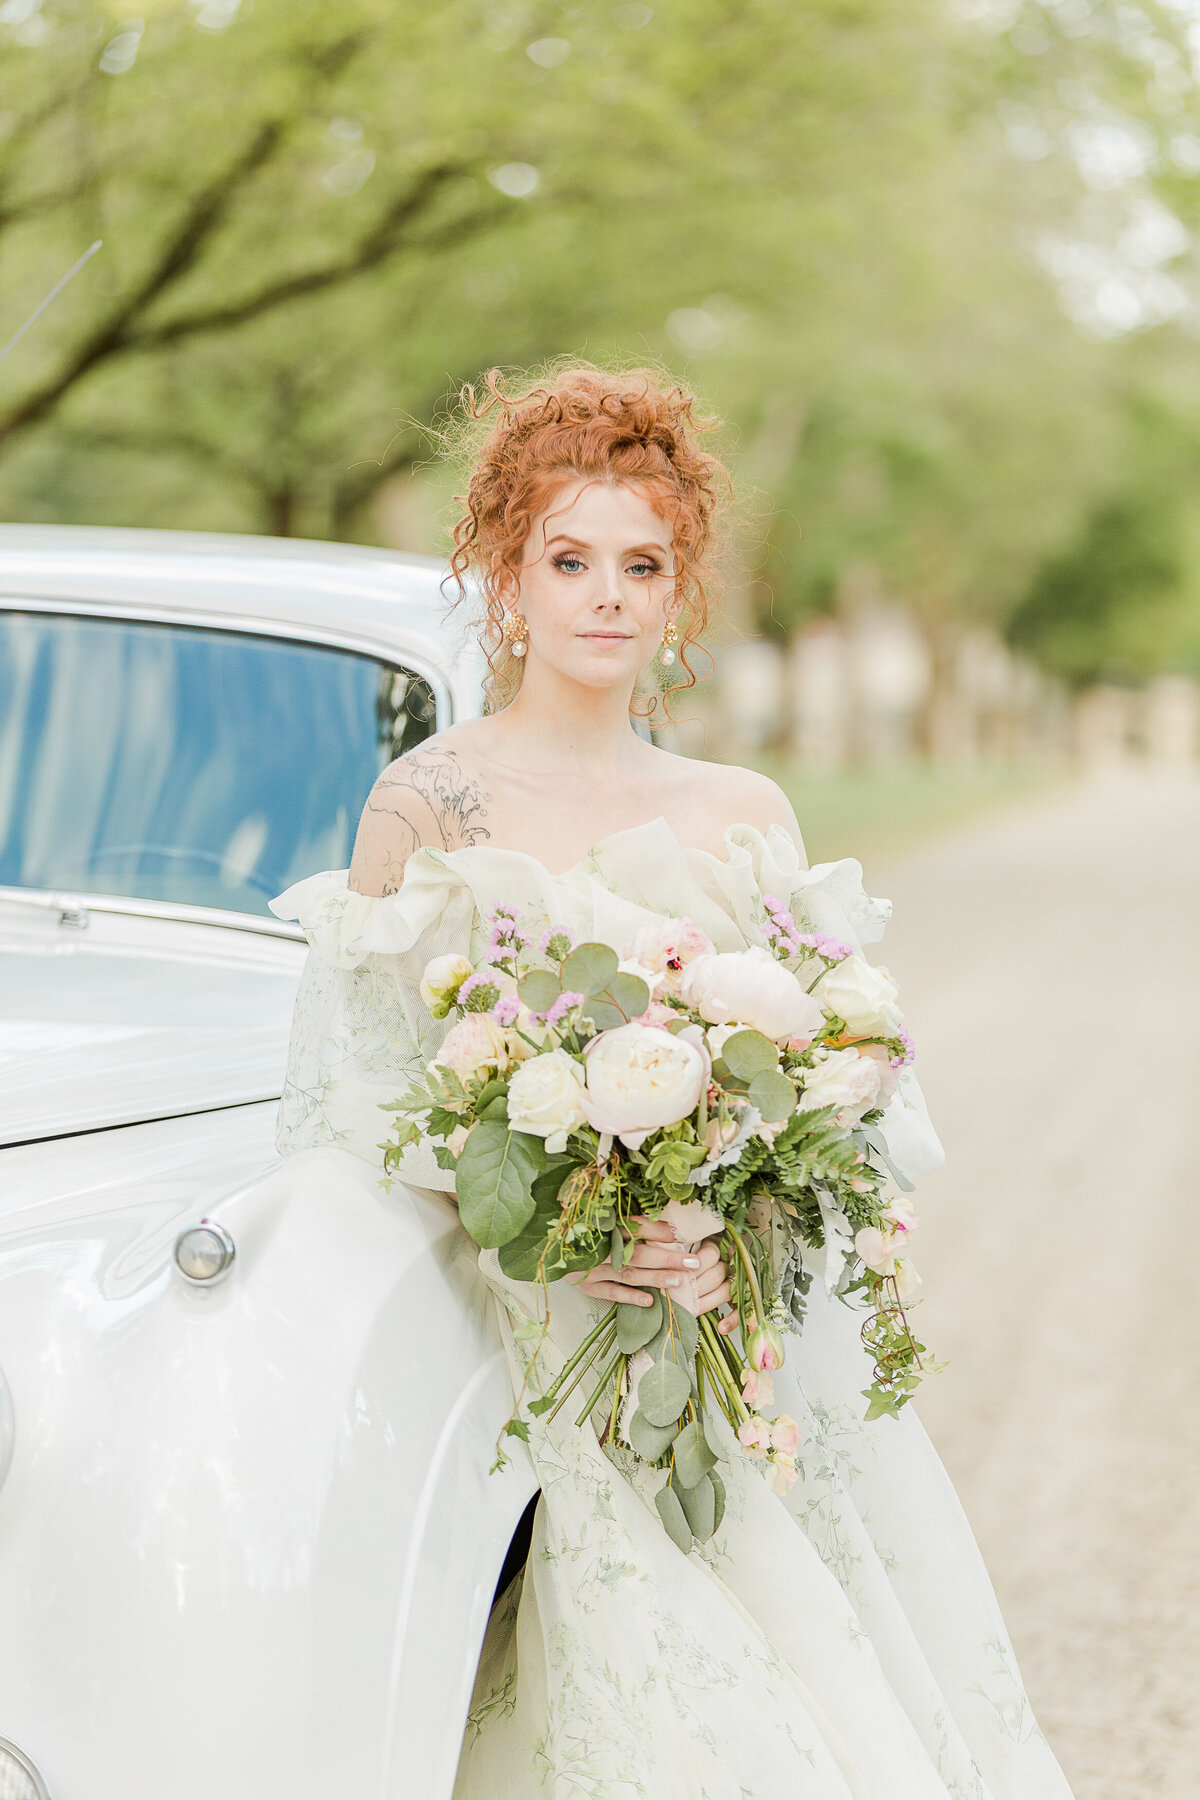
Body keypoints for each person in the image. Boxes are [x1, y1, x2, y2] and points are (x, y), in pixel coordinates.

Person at [271, 363, 1075, 1797]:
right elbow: (356, 1114)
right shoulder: (430, 802)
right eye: (567, 558)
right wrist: (563, 1229)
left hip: (715, 1326)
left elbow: (836, 1097)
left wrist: (721, 1234)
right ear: (505, 574)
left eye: (642, 564)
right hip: (524, 1333)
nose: (606, 596)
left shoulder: (738, 815)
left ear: (681, 591)